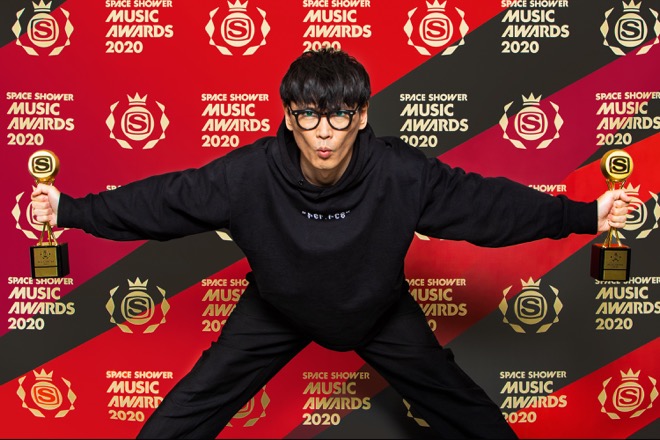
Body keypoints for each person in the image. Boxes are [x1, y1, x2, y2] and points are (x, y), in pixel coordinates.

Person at [31, 48, 631, 439]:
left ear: (363, 116)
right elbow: (162, 202)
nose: (325, 133)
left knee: (468, 414)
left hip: (377, 310)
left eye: (340, 115)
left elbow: (487, 207)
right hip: (277, 308)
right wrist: (70, 209)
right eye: (309, 116)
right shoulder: (246, 176)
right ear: (288, 117)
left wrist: (584, 214)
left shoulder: (401, 173)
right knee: (182, 416)